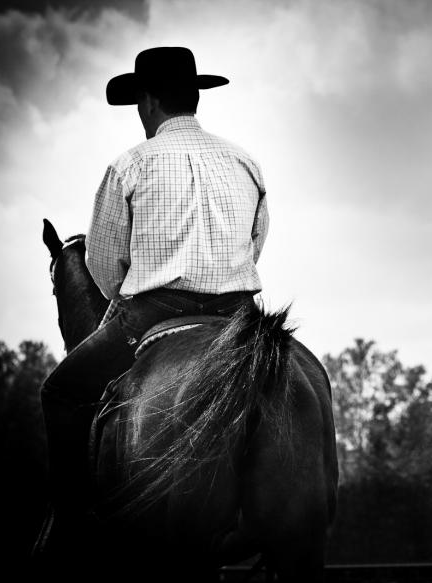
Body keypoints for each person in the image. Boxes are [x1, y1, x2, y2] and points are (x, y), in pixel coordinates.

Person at [36, 46, 269, 556]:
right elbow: (256, 242)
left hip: (154, 313)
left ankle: (69, 520)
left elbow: (102, 267)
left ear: (146, 102)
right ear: (193, 97)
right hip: (240, 317)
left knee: (60, 391)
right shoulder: (245, 161)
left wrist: (139, 288)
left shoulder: (128, 166)